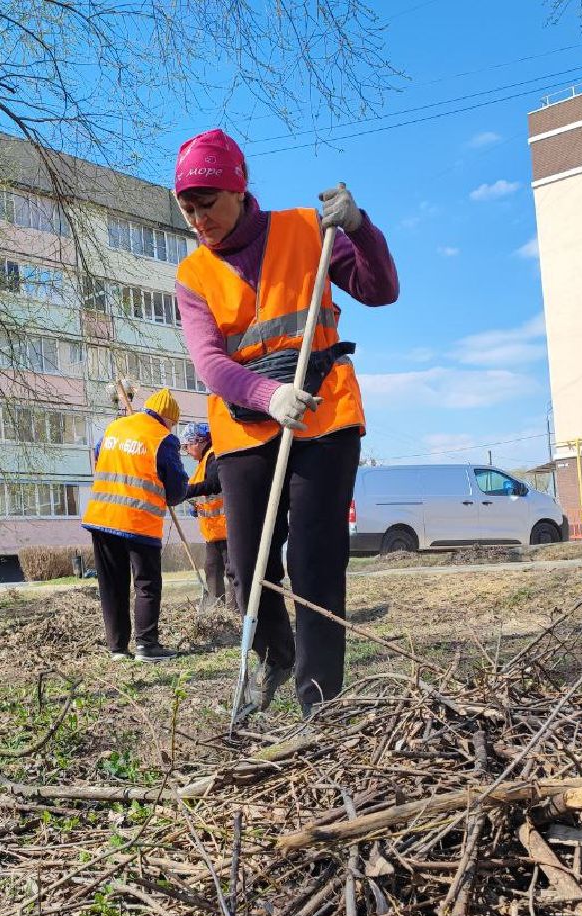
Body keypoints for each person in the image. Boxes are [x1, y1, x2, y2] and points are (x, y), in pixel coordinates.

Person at [173, 129, 399, 717]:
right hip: (247, 425)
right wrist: (267, 395)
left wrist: (359, 228)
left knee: (314, 564)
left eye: (209, 203)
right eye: (187, 207)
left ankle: (318, 702)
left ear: (240, 189)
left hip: (324, 417)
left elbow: (382, 290)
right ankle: (275, 653)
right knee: (249, 568)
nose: (199, 219)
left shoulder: (309, 231)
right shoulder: (193, 276)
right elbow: (210, 364)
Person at [82, 389, 188, 662]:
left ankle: (117, 647)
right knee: (146, 584)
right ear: (168, 419)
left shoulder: (114, 427)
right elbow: (176, 490)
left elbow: (97, 456)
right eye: (173, 423)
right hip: (139, 521)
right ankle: (146, 645)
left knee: (112, 584)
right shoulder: (163, 439)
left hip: (103, 517)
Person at [180, 423, 235, 612]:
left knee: (231, 572)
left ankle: (235, 611)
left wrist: (185, 492)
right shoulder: (202, 463)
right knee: (212, 569)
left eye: (187, 446)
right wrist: (196, 506)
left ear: (198, 441)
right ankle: (216, 610)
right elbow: (205, 494)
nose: (186, 451)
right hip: (214, 531)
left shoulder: (214, 456)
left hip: (227, 529)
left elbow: (213, 484)